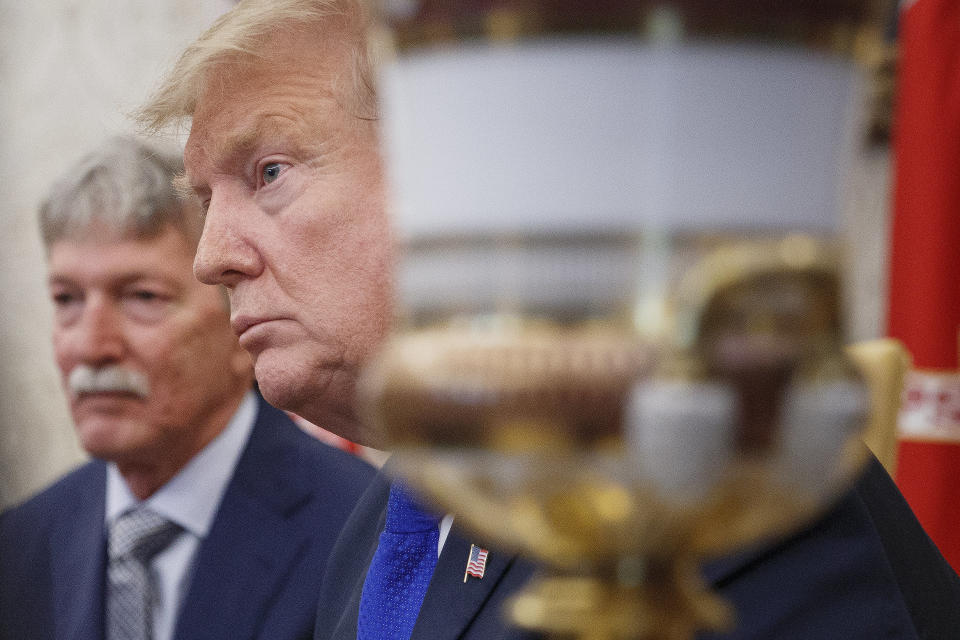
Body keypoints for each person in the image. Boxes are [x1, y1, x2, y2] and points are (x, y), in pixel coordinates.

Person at [138, 1, 960, 638]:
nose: (211, 255)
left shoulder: (722, 489)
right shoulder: (386, 520)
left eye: (269, 171)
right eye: (207, 200)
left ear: (466, 170)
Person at [0, 136, 375, 640]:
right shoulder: (19, 543)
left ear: (239, 327)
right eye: (66, 299)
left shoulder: (362, 532)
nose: (91, 346)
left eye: (142, 297)